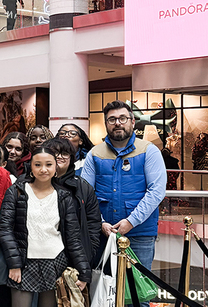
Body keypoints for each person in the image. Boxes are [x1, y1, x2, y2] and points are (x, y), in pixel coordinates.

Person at [81, 101, 166, 283]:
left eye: (122, 118)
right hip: (103, 234)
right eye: (112, 119)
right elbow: (85, 194)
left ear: (132, 122)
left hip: (140, 234)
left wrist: (131, 221)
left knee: (139, 293)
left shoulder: (149, 151)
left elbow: (156, 192)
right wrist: (101, 223)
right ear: (106, 124)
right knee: (103, 292)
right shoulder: (94, 154)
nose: (117, 123)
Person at [0, 147, 90, 307]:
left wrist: (84, 271)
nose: (43, 169)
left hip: (55, 262)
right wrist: (14, 264)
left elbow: (73, 237)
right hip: (23, 262)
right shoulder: (16, 192)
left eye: (48, 164)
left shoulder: (64, 197)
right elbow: (4, 229)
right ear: (31, 168)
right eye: (38, 165)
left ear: (56, 168)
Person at [44, 138, 100, 265]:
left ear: (71, 158)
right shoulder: (31, 184)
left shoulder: (83, 187)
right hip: (40, 258)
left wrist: (89, 252)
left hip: (75, 260)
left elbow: (93, 222)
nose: (59, 157)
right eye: (54, 153)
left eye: (64, 153)